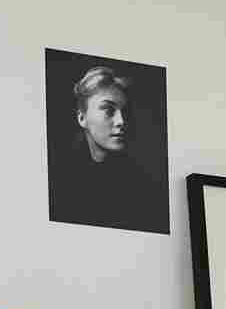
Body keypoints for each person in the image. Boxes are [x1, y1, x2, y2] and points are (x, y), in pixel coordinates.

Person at [49, 62, 164, 233]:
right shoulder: (59, 179)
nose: (121, 122)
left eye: (125, 112)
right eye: (108, 110)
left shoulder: (143, 185)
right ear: (82, 118)